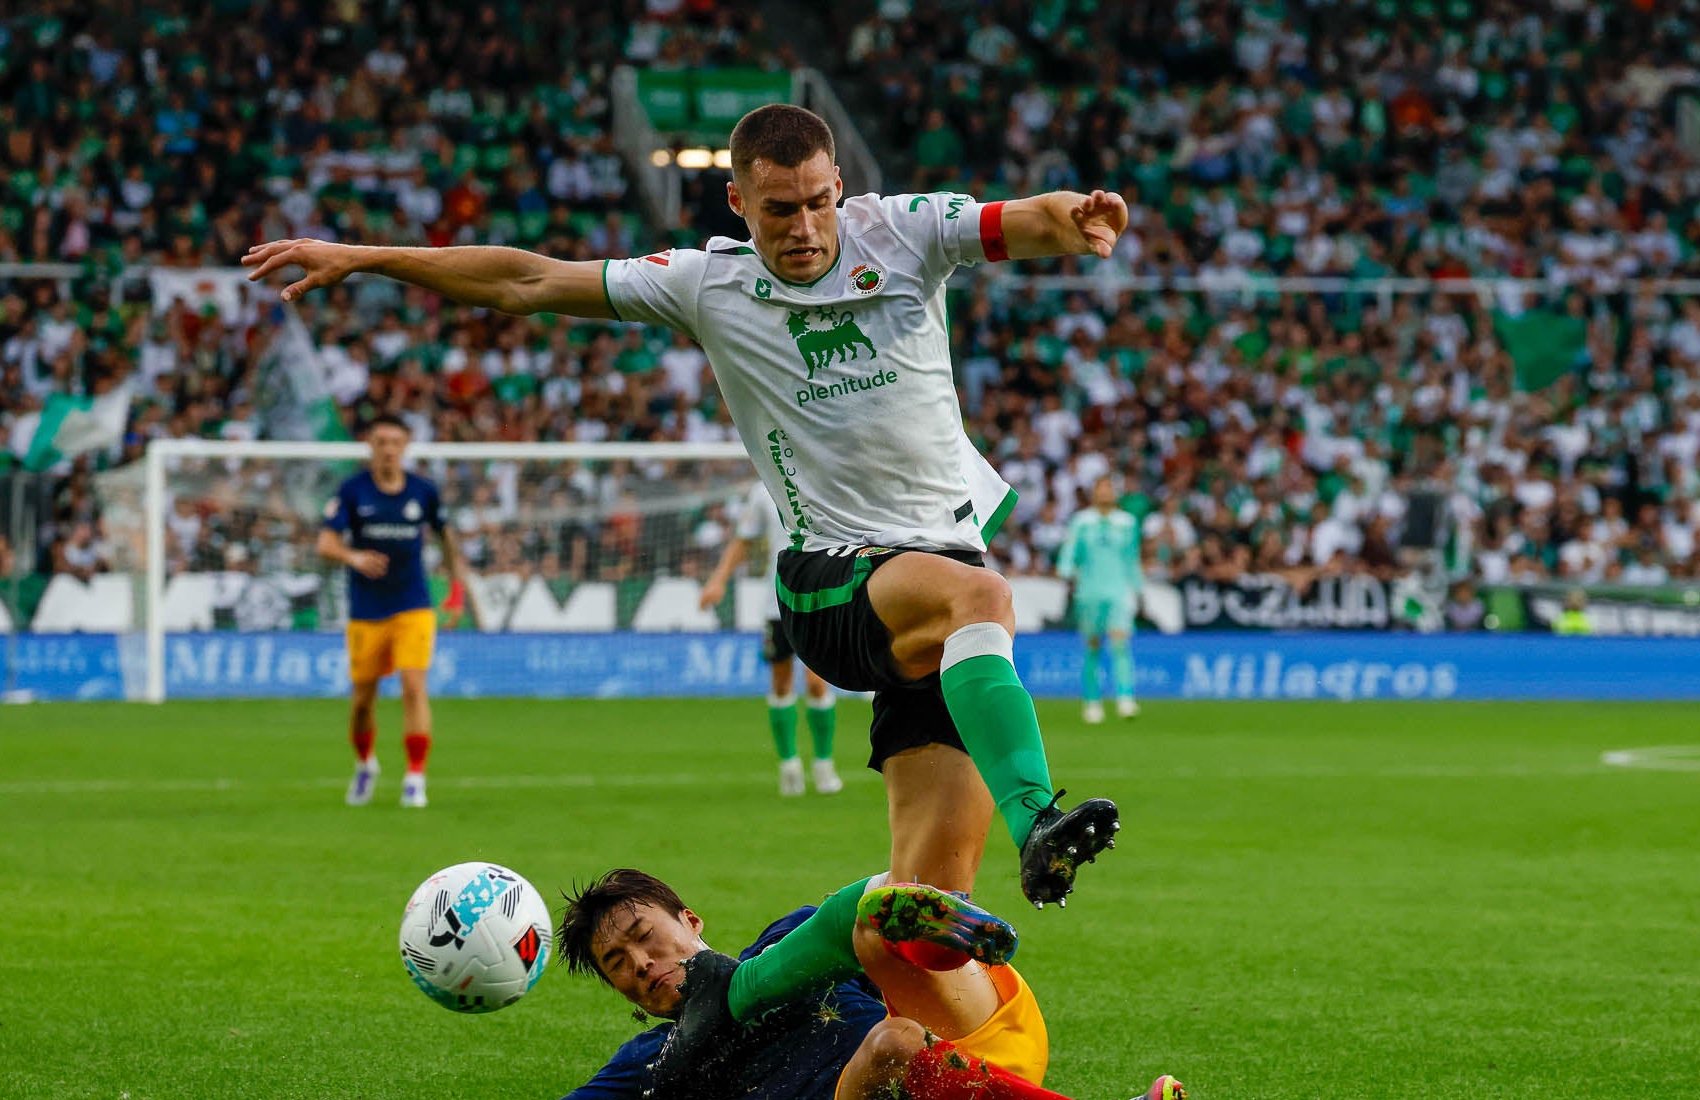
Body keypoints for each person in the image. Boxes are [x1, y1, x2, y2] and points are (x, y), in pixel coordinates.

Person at [246, 104, 1129, 908]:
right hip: (831, 579)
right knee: (985, 598)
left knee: (931, 910)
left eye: (819, 202)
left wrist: (1078, 217)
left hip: (935, 591)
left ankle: (803, 1020)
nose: (806, 226)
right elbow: (526, 281)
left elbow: (1027, 218)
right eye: (779, 209)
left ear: (841, 188)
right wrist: (369, 258)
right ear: (738, 203)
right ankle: (1039, 823)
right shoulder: (706, 282)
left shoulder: (902, 233)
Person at [261, 869, 1184, 1100]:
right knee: (894, 1043)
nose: (645, 966)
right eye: (623, 968)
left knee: (869, 933)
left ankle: (940, 919)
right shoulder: (653, 1068)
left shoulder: (780, 947)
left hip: (988, 1045)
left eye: (646, 938)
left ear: (689, 923)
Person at [316, 412, 472, 808]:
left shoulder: (423, 491)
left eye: (395, 442)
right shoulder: (353, 491)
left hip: (413, 604)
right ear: (371, 445)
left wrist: (455, 592)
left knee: (413, 687)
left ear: (405, 446)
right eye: (381, 442)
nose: (388, 450)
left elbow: (447, 541)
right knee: (363, 699)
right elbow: (325, 544)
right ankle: (365, 764)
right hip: (367, 608)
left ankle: (415, 778)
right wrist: (355, 557)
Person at [699, 482, 842, 797]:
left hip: (818, 599)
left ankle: (823, 763)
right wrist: (718, 580)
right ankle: (789, 765)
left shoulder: (824, 480)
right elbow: (744, 539)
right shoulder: (763, 490)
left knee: (818, 682)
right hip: (776, 602)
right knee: (780, 682)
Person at [1057, 475, 1144, 722]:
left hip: (1118, 591)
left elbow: (1131, 557)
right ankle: (1092, 702)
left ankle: (1125, 699)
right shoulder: (1082, 521)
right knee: (1093, 646)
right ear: (1094, 493)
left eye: (1109, 488)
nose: (1105, 493)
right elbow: (1070, 550)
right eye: (1101, 488)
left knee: (1120, 643)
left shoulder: (1126, 522)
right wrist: (1065, 572)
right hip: (1089, 591)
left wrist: (1138, 589)